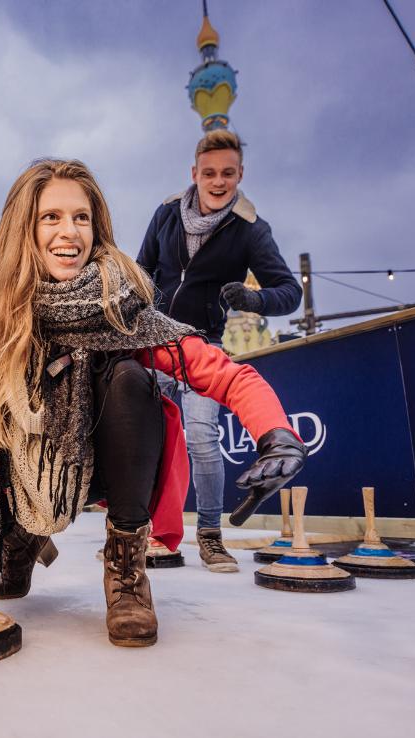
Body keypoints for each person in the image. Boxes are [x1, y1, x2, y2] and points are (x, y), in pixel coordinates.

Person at [0, 159, 305, 647]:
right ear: (24, 227)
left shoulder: (120, 310)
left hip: (91, 463)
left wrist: (276, 432)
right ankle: (19, 534)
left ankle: (125, 565)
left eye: (81, 217)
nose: (68, 232)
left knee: (130, 379)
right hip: (18, 469)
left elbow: (221, 371)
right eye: (51, 217)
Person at [137, 129, 302, 573]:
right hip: (152, 342)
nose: (218, 181)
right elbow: (140, 268)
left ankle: (209, 535)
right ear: (194, 173)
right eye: (209, 172)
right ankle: (136, 532)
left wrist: (254, 300)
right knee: (146, 438)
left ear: (239, 175)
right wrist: (139, 301)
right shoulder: (167, 213)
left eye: (227, 173)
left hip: (203, 343)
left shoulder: (250, 231)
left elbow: (290, 292)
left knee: (203, 437)